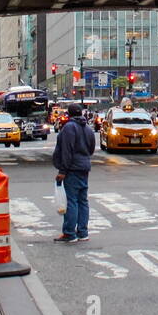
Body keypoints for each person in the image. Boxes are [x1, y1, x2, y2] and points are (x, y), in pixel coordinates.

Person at [52, 104, 95, 244]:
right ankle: (83, 232)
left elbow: (66, 151)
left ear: (69, 114)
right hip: (84, 167)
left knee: (72, 201)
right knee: (83, 200)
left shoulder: (69, 128)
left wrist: (62, 171)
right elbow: (91, 148)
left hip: (72, 169)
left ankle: (70, 233)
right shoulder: (87, 128)